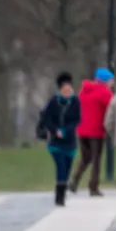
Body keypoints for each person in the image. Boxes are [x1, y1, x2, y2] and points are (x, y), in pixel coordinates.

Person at [71, 67, 115, 196]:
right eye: (111, 80)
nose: (112, 83)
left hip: (81, 130)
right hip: (96, 131)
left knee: (86, 157)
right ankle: (93, 187)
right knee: (96, 159)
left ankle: (74, 180)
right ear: (105, 81)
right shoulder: (104, 92)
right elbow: (111, 109)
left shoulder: (83, 92)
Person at [40, 71, 81, 206]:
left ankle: (62, 192)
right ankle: (59, 197)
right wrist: (55, 130)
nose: (67, 91)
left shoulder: (75, 101)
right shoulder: (53, 101)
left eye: (69, 88)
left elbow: (77, 119)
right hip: (56, 143)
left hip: (69, 141)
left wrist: (66, 130)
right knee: (61, 167)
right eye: (64, 89)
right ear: (60, 89)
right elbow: (46, 118)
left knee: (67, 169)